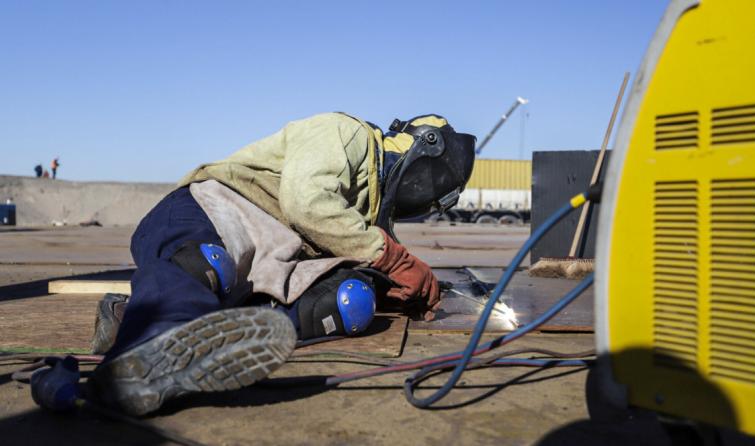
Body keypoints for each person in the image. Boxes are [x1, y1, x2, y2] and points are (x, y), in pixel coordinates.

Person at [88, 112, 476, 416]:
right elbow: (306, 203)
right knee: (206, 266)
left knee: (350, 299)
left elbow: (350, 245)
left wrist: (386, 286)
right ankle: (147, 350)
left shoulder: (371, 211)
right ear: (423, 150)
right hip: (215, 210)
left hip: (273, 252)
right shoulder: (346, 133)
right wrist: (390, 258)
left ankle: (144, 322)